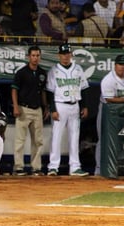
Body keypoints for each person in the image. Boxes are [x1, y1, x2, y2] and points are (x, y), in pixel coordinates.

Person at [46, 43, 90, 177]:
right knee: (56, 136)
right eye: (63, 54)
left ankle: (75, 167)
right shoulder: (54, 70)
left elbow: (84, 89)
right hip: (60, 105)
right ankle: (53, 167)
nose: (66, 56)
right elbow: (49, 92)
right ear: (59, 55)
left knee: (74, 137)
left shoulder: (78, 69)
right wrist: (52, 109)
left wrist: (84, 106)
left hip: (75, 104)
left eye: (68, 54)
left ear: (71, 55)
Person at [95, 54, 124, 175]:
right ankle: (99, 169)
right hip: (108, 110)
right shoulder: (108, 80)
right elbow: (109, 99)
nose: (122, 67)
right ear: (115, 65)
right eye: (120, 64)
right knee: (104, 138)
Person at [12, 46, 48, 176]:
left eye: (37, 55)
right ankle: (19, 167)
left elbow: (43, 91)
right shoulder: (21, 73)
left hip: (37, 109)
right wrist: (15, 106)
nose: (35, 58)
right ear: (29, 57)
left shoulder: (42, 73)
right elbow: (14, 89)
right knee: (20, 140)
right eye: (33, 55)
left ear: (40, 57)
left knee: (38, 140)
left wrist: (46, 107)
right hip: (23, 108)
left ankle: (36, 167)